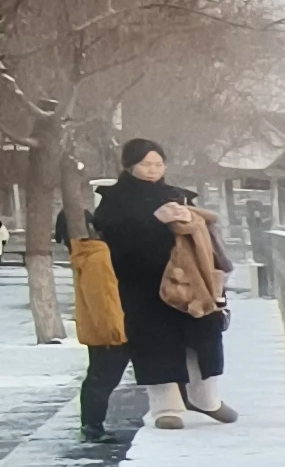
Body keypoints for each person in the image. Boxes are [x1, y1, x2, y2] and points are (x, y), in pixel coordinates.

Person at [91, 142, 238, 429]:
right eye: (147, 164)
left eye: (158, 164)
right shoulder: (114, 199)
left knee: (203, 335)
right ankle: (166, 408)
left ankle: (206, 399)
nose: (153, 170)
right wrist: (153, 220)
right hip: (142, 285)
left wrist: (190, 220)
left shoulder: (176, 195)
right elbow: (114, 239)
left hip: (191, 280)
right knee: (155, 344)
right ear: (130, 165)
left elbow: (206, 235)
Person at [57, 197, 132, 436]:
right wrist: (114, 331)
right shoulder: (97, 256)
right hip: (110, 329)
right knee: (103, 378)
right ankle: (92, 426)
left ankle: (91, 424)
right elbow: (104, 298)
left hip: (100, 328)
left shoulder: (85, 255)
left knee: (98, 377)